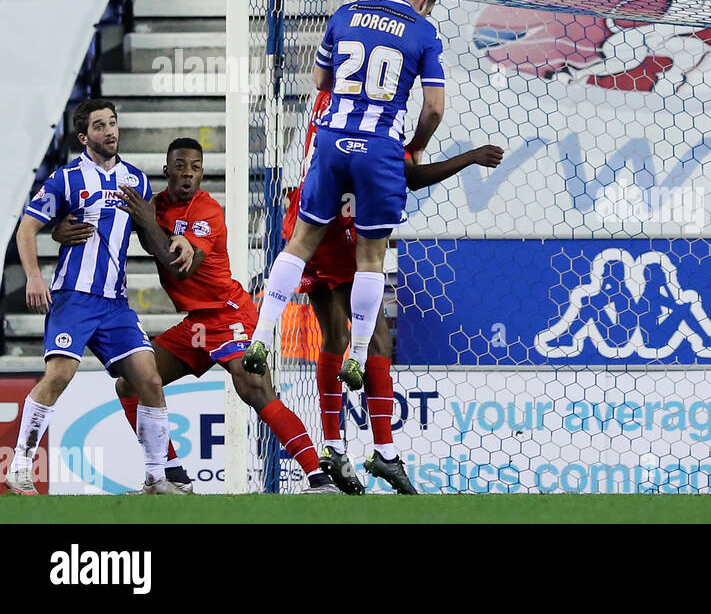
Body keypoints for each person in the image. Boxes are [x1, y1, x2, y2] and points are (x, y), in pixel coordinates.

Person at [54, 138, 341, 494]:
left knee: (253, 388)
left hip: (228, 312)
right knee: (130, 384)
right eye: (180, 166)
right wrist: (59, 231)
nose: (187, 174)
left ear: (203, 173)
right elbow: (108, 228)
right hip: (196, 325)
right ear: (167, 171)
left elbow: (182, 271)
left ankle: (318, 477)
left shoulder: (207, 211)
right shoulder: (153, 207)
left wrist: (147, 221)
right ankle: (174, 476)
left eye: (195, 167)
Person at [242, 0, 446, 396]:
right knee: (371, 258)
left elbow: (320, 81)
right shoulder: (423, 31)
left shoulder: (346, 14)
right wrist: (418, 144)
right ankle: (356, 357)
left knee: (299, 243)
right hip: (380, 148)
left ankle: (260, 337)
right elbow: (433, 109)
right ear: (424, 2)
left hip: (332, 141)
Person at [287, 91, 502, 494]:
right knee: (378, 339)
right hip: (346, 225)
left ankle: (333, 445)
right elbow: (410, 176)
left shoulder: (327, 99)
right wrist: (468, 157)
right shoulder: (373, 103)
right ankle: (383, 451)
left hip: (309, 218)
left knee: (335, 335)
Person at [4, 99, 193, 495]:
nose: (110, 131)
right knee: (59, 375)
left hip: (115, 304)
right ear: (83, 136)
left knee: (151, 380)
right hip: (73, 297)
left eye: (113, 123)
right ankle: (19, 466)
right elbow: (25, 230)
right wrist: (35, 278)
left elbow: (148, 233)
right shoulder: (67, 178)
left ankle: (157, 477)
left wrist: (178, 240)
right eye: (100, 126)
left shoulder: (136, 181)